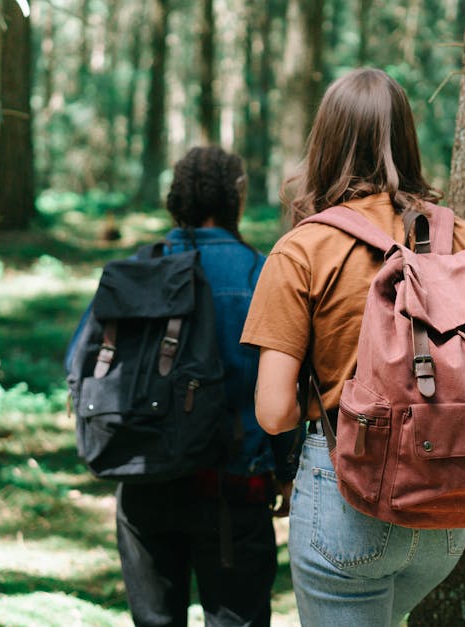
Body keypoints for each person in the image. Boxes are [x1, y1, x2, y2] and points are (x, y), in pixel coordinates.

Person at [240, 68, 465, 625]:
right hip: (451, 502)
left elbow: (273, 413)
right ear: (407, 139)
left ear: (325, 143)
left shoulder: (303, 249)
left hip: (348, 497)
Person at [70, 146, 299, 627]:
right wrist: (285, 468)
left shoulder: (137, 268)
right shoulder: (260, 274)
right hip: (233, 484)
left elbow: (79, 361)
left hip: (144, 478)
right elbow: (280, 383)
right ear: (235, 198)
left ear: (176, 198)